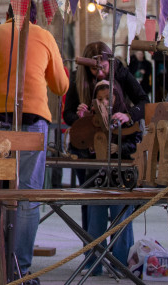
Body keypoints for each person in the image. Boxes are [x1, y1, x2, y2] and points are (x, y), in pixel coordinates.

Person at [0, 7, 69, 283]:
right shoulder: (44, 36)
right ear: (34, 17)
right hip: (32, 125)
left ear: (7, 15)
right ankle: (19, 269)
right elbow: (60, 85)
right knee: (27, 195)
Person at [62, 41, 147, 274]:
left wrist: (128, 115)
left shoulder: (120, 71)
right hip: (87, 150)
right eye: (94, 69)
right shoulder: (78, 80)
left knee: (120, 207)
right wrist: (78, 117)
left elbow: (143, 101)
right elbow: (67, 115)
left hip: (120, 146)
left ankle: (119, 261)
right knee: (92, 206)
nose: (100, 72)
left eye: (103, 68)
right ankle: (92, 261)